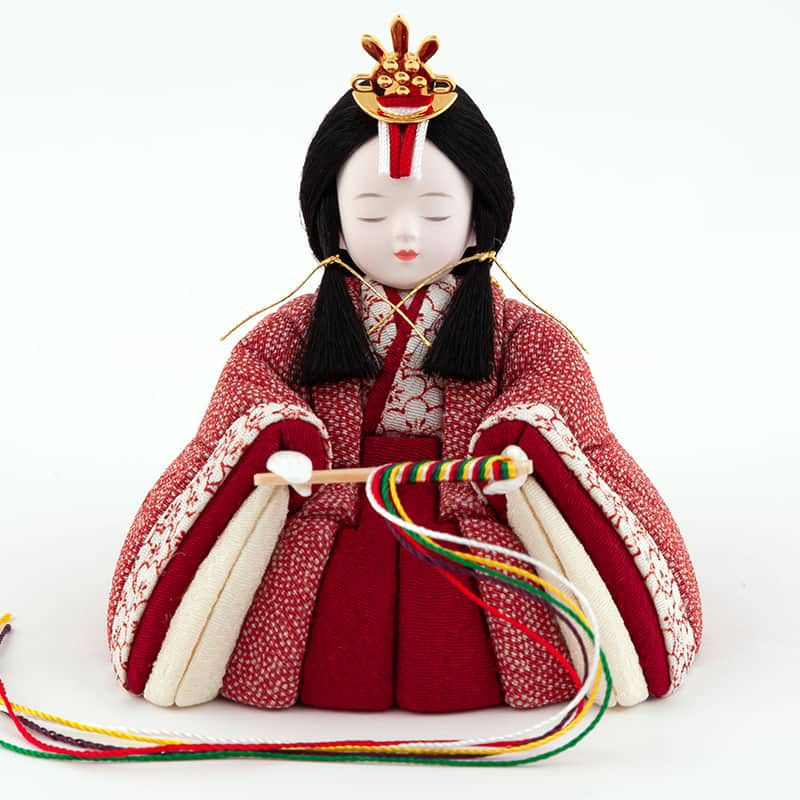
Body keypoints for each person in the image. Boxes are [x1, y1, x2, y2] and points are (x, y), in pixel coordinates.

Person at [108, 16, 701, 713]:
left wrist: (517, 439)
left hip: (469, 498)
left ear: (478, 218)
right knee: (311, 626)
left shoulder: (514, 331)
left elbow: (555, 378)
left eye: (435, 211)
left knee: (469, 633)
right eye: (372, 212)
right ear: (333, 220)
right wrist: (282, 437)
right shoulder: (302, 328)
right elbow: (253, 379)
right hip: (331, 497)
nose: (406, 234)